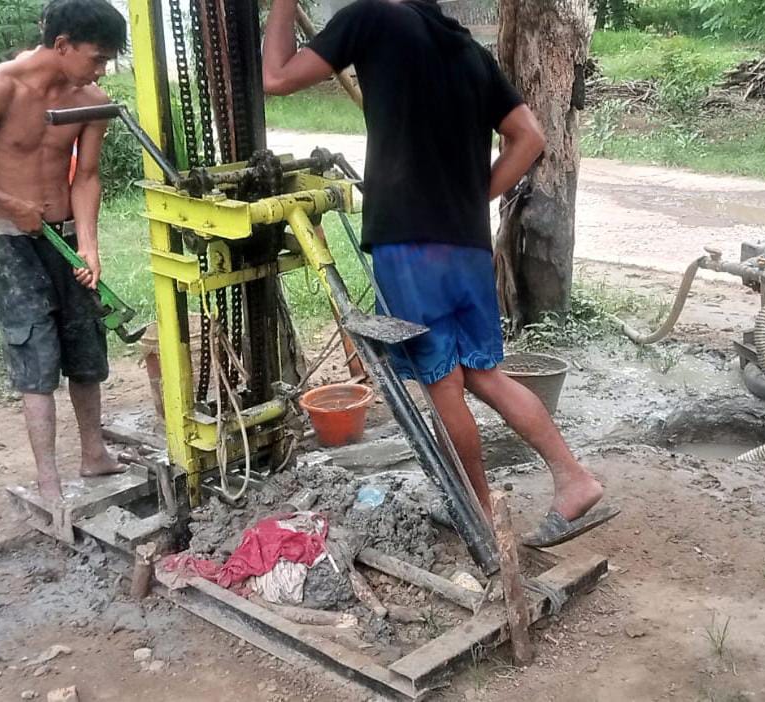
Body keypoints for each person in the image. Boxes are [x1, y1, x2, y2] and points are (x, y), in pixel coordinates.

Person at [262, 0, 615, 546]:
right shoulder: (469, 51)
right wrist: (471, 198)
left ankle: (478, 512)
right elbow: (530, 136)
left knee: (442, 384)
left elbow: (276, 77)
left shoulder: (370, 18)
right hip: (465, 245)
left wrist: (283, 4)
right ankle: (573, 477)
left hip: (410, 245)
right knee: (481, 373)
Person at [0, 0, 128, 502]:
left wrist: (89, 247)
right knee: (34, 357)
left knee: (86, 349)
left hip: (67, 240)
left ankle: (94, 454)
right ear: (62, 45)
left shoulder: (91, 99)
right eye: (97, 58)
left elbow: (86, 176)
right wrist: (10, 204)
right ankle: (48, 479)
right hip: (13, 244)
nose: (101, 70)